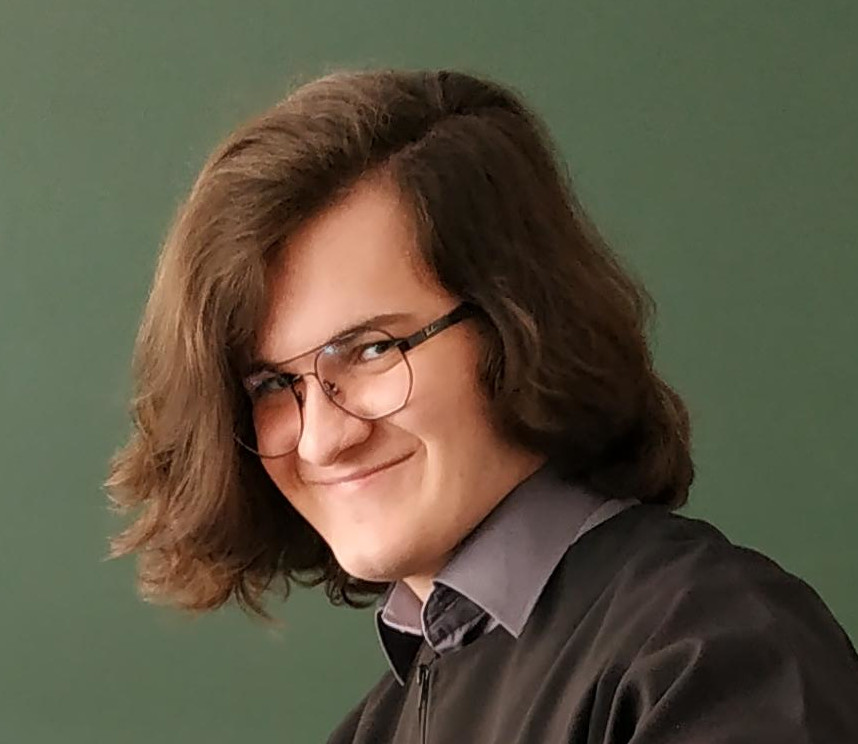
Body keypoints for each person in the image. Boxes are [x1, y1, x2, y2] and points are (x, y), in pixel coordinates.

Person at [106, 68, 858, 743]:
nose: (322, 439)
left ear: (517, 323)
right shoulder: (379, 726)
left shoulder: (710, 650)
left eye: (371, 349)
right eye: (274, 385)